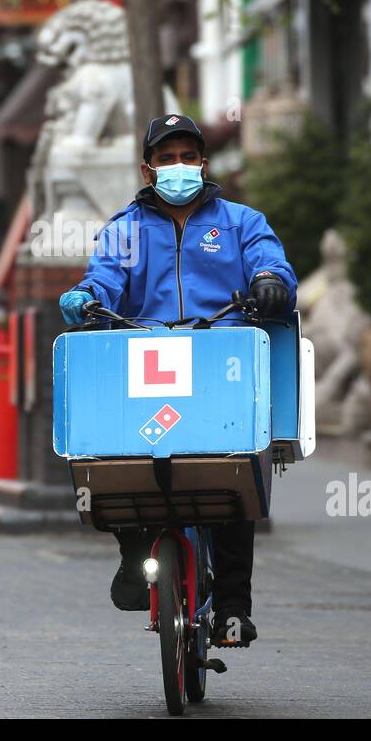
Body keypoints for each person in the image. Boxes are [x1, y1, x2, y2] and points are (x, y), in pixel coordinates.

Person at [58, 114, 297, 647]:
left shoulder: (242, 222)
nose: (178, 167)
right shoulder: (125, 231)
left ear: (204, 164)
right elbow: (103, 281)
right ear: (148, 170)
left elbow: (273, 266)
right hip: (147, 364)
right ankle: (130, 551)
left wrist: (270, 283)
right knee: (114, 451)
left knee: (234, 477)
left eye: (188, 156)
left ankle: (233, 607)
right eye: (167, 159)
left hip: (224, 369)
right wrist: (87, 299)